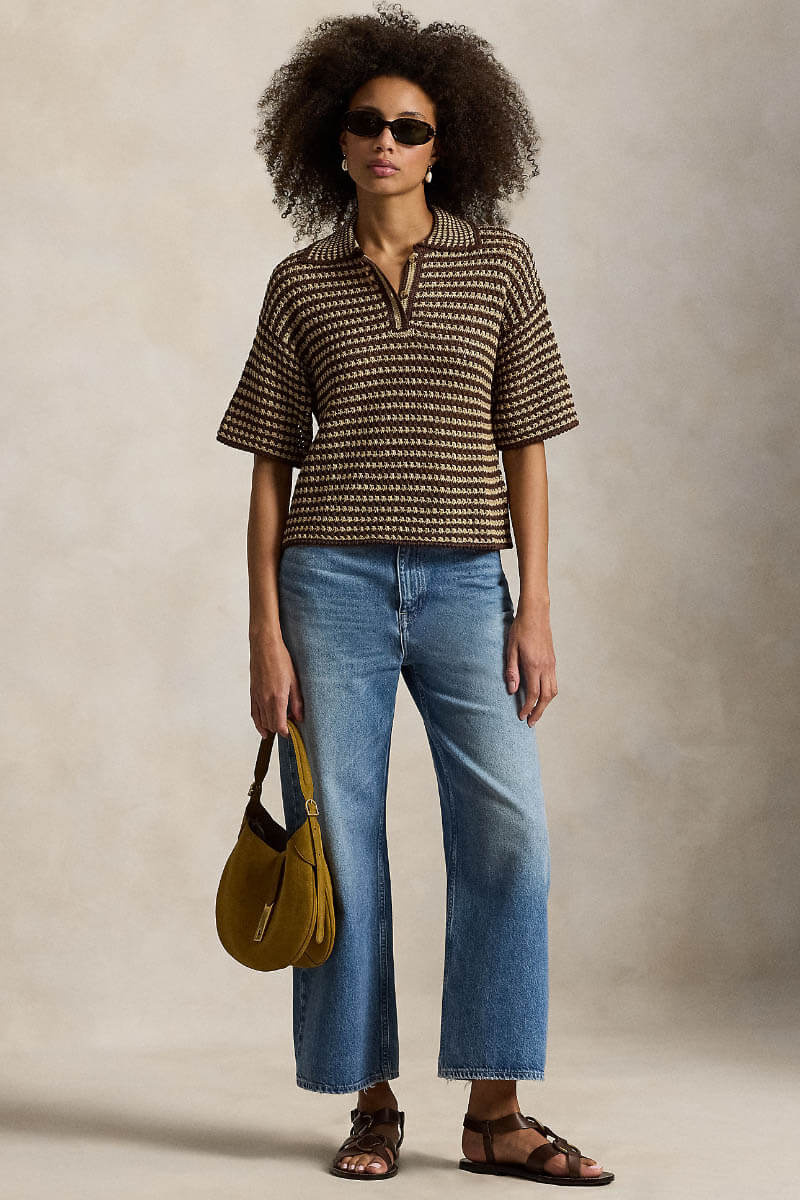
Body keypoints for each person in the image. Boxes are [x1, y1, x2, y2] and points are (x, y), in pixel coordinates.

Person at [216, 2, 614, 1186]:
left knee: (507, 835)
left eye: (410, 126)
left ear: (446, 145)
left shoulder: (499, 266)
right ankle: (370, 1102)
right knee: (340, 844)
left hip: (463, 584)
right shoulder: (300, 284)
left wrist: (532, 607)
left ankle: (494, 1114)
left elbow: (524, 442)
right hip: (326, 585)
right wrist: (264, 636)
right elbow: (269, 467)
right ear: (330, 140)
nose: (384, 142)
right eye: (364, 123)